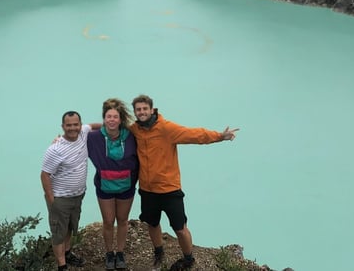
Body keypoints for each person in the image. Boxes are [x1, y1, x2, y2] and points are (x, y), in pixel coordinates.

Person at [129, 94, 240, 271]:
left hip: (169, 190)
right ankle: (159, 252)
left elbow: (194, 134)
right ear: (135, 112)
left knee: (180, 228)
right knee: (152, 223)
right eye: (138, 110)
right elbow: (115, 129)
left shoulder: (166, 128)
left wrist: (220, 136)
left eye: (144, 109)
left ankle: (188, 259)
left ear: (152, 109)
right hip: (147, 189)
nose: (142, 112)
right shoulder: (135, 129)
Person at [41, 111, 101, 270]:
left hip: (78, 195)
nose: (73, 128)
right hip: (60, 198)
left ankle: (67, 253)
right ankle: (62, 265)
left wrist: (113, 127)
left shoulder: (83, 133)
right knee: (59, 233)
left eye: (76, 124)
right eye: (69, 125)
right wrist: (52, 200)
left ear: (80, 124)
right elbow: (45, 175)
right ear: (63, 126)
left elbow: (93, 126)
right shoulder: (55, 149)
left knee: (70, 226)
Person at [86, 98, 139, 270]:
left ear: (120, 119)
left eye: (115, 117)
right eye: (108, 116)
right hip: (104, 186)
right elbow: (74, 137)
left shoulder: (132, 136)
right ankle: (109, 253)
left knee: (122, 220)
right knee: (108, 221)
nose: (112, 120)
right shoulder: (94, 137)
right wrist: (59, 139)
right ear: (104, 118)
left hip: (127, 186)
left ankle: (120, 252)